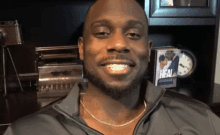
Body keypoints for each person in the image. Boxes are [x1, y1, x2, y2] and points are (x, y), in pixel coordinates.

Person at [4, 0, 220, 135]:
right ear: (81, 48)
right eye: (102, 33)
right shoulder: (25, 132)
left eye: (133, 34)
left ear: (148, 49)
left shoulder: (203, 121)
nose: (119, 44)